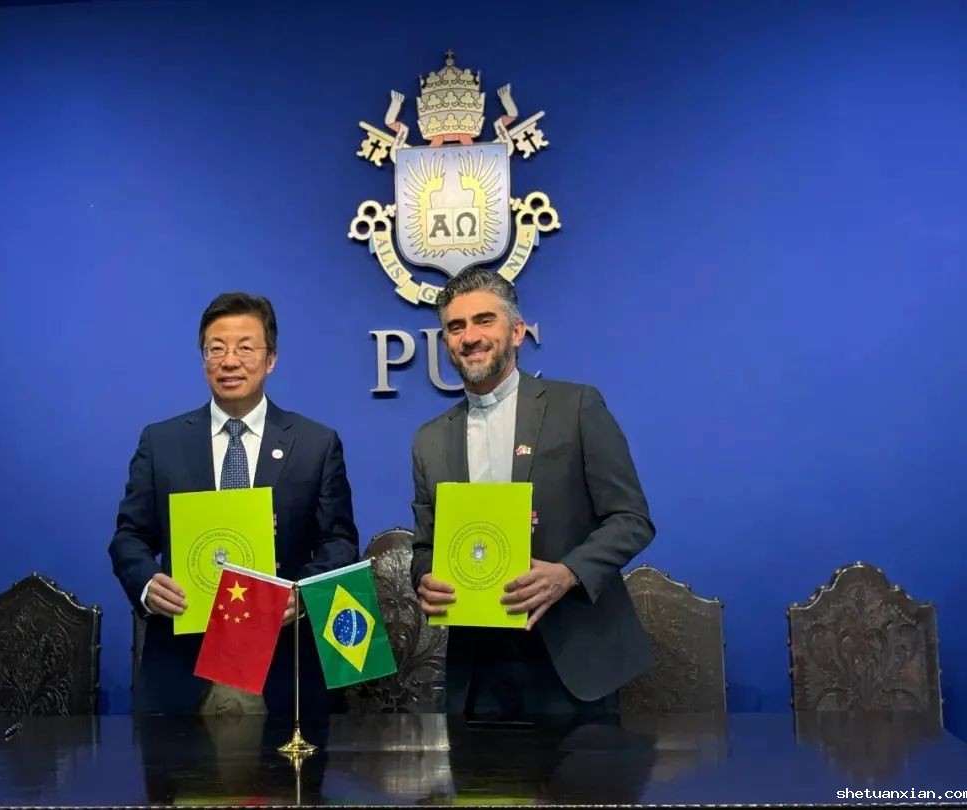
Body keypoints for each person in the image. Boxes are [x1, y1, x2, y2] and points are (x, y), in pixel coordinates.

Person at [410, 267, 655, 720]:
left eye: (484, 320)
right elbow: (426, 546)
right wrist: (424, 578)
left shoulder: (577, 406)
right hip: (478, 675)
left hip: (576, 660)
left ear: (518, 332)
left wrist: (568, 572)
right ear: (445, 343)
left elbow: (631, 519)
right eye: (455, 327)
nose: (470, 337)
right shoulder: (429, 440)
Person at [109, 292, 358, 715]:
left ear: (271, 359)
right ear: (203, 358)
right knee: (177, 759)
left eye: (245, 348)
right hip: (182, 660)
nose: (229, 361)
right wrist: (148, 584)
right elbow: (128, 537)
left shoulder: (315, 444)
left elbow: (339, 542)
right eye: (216, 349)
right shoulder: (161, 442)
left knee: (286, 761)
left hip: (284, 662)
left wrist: (302, 593)